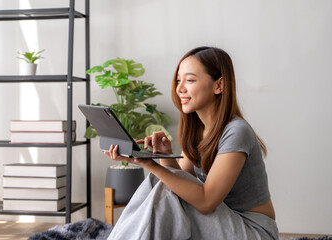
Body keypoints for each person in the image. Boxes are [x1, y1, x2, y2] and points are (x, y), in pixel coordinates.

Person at [105, 46, 279, 240]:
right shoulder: (198, 130)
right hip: (220, 222)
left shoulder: (237, 131)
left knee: (161, 184)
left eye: (189, 80)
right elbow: (183, 183)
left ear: (218, 85)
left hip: (252, 231)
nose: (180, 88)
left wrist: (150, 164)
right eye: (179, 80)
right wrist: (164, 156)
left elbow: (206, 201)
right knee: (164, 184)